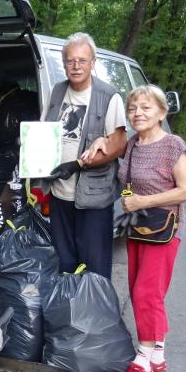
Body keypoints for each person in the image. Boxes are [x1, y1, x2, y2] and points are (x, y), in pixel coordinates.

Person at [112, 85, 186, 372]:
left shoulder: (172, 145)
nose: (138, 113)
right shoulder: (133, 144)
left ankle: (143, 364)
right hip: (138, 227)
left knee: (146, 293)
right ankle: (158, 356)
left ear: (162, 112)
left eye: (146, 108)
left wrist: (142, 203)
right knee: (142, 291)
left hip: (164, 230)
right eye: (133, 108)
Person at [43, 32, 127, 279]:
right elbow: (43, 130)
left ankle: (99, 316)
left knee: (95, 266)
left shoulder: (108, 96)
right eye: (70, 60)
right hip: (59, 193)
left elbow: (118, 145)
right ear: (64, 63)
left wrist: (77, 165)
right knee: (65, 262)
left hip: (94, 197)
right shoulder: (57, 91)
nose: (76, 66)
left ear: (93, 62)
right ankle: (69, 314)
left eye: (82, 60)